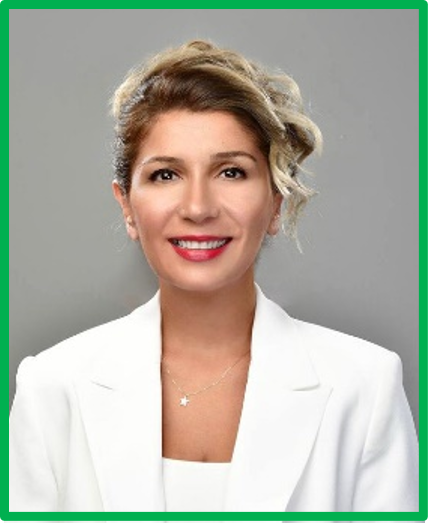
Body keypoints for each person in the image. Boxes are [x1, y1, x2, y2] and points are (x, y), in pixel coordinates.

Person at [9, 40, 418, 513]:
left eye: (231, 172)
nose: (198, 208)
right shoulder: (52, 386)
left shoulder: (364, 386)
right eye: (166, 175)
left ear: (275, 204)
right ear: (127, 207)